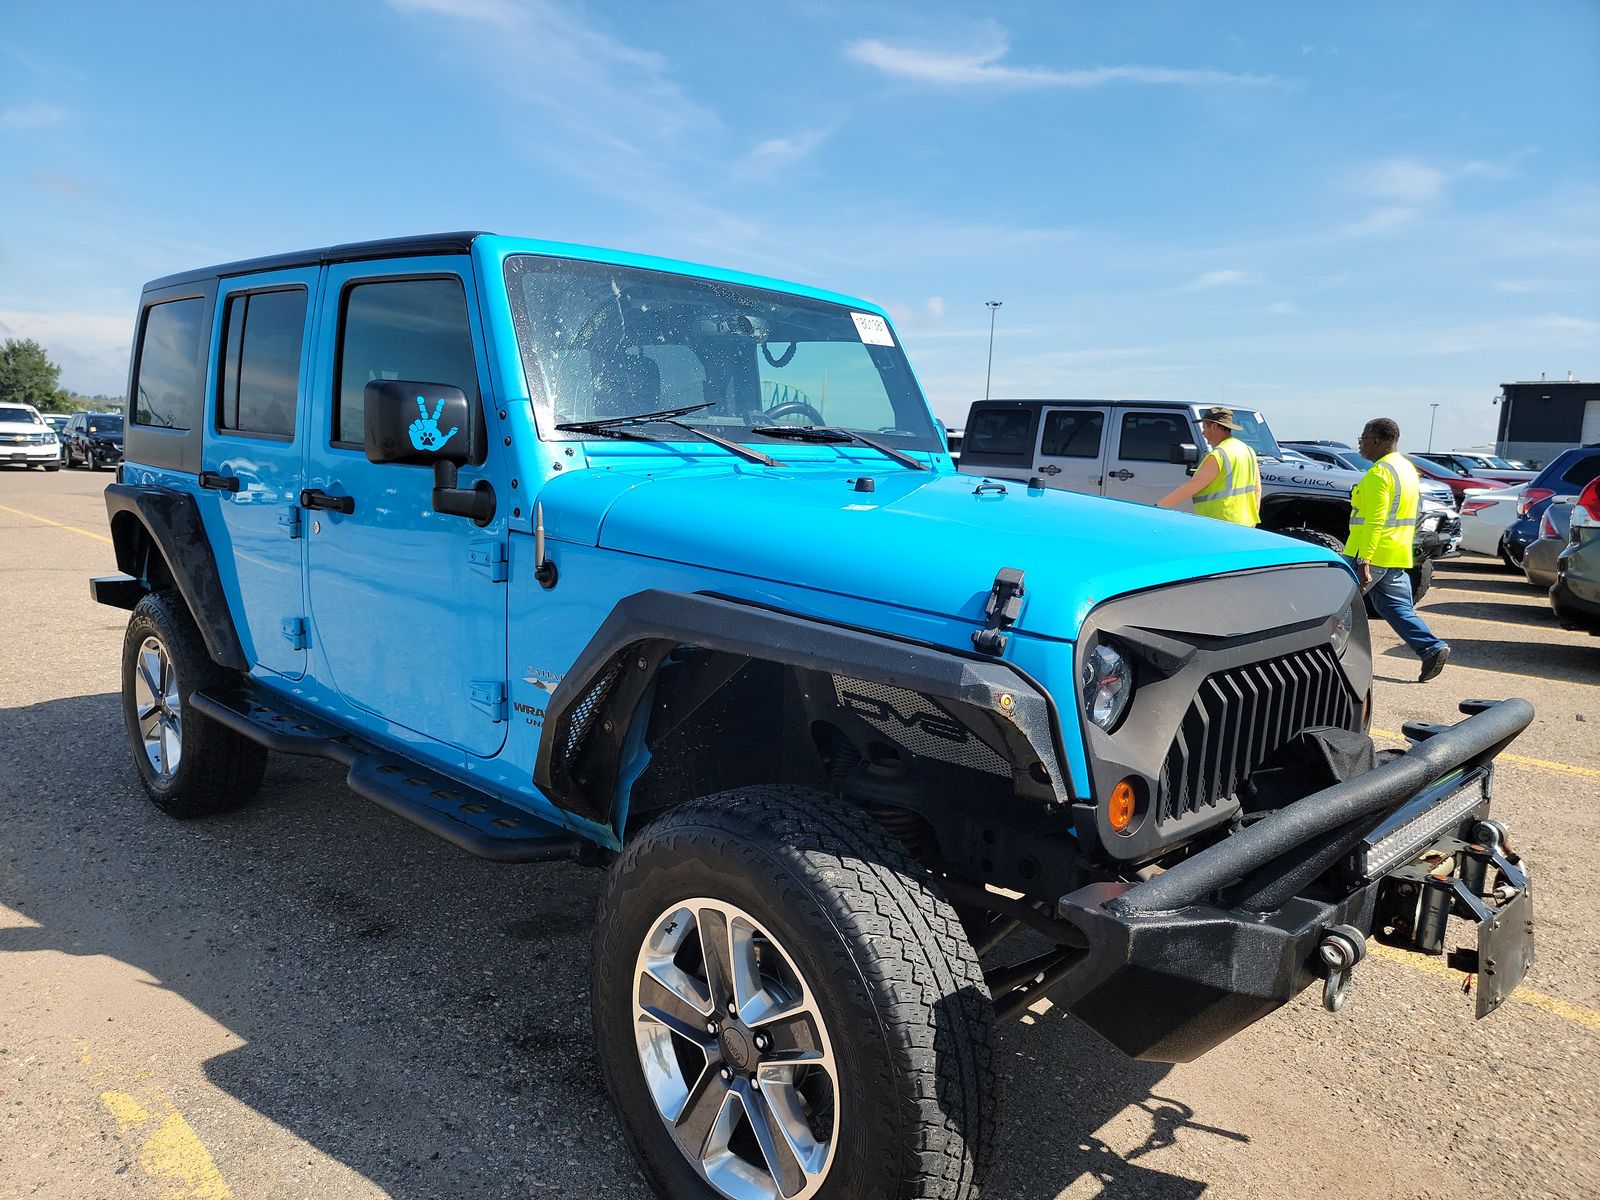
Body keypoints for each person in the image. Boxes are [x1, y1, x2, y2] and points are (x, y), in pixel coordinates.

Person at [1347, 418, 1450, 682]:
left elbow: (1374, 520)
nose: (1360, 444)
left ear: (1377, 441)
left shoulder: (1380, 473)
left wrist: (1364, 560)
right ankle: (1431, 649)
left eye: (1363, 439)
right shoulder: (1406, 469)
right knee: (1395, 607)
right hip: (1395, 553)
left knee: (1335, 605)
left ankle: (1321, 659)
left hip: (1370, 554)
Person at [1156, 406, 1261, 525]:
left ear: (1214, 427)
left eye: (1204, 427)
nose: (1203, 433)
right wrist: (1253, 518)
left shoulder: (1218, 455)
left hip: (1221, 521)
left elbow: (1190, 487)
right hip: (1246, 523)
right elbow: (1257, 489)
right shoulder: (1248, 450)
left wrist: (1159, 507)